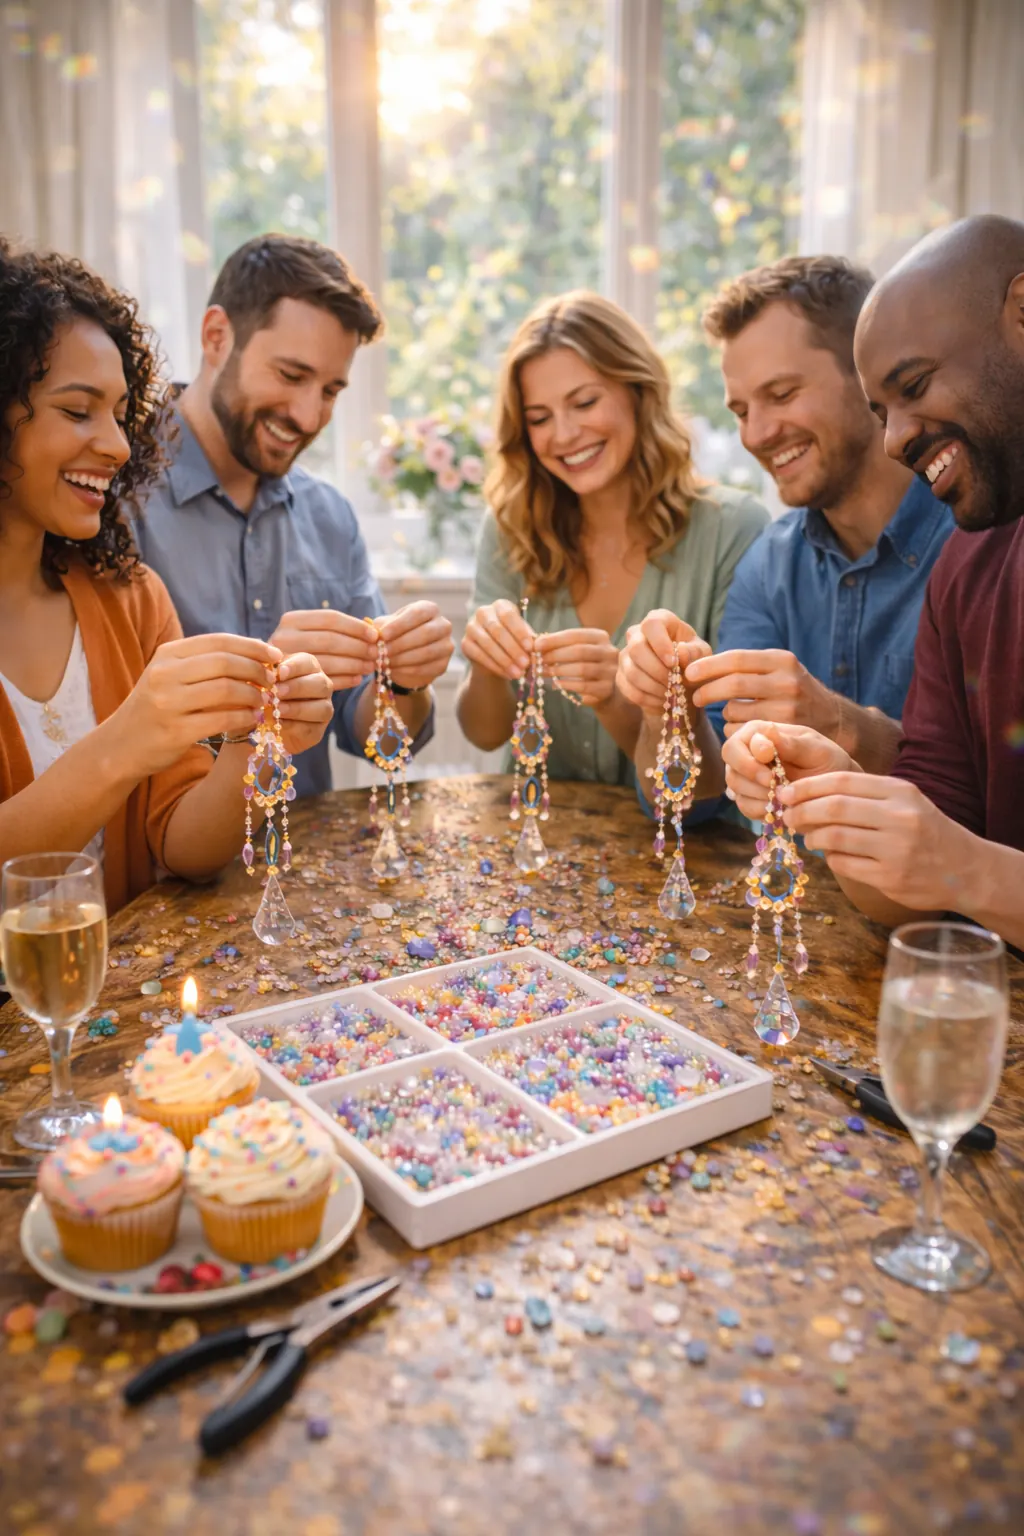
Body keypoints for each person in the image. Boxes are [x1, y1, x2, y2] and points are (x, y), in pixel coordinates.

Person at [0, 241, 334, 914]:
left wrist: (258, 740)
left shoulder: (130, 596)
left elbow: (185, 849)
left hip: (109, 1005)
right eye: (77, 409)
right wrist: (129, 740)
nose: (120, 445)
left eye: (122, 415)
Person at [721, 215, 1024, 950]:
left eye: (914, 385)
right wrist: (833, 786)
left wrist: (965, 870)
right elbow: (910, 899)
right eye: (882, 409)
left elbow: (957, 866)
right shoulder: (971, 564)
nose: (896, 439)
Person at [133, 234, 454, 799]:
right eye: (290, 375)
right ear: (216, 337)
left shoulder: (331, 518)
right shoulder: (113, 499)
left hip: (305, 873)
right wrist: (265, 685)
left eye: (330, 390)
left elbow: (383, 746)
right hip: (163, 878)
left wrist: (403, 682)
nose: (309, 416)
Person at [620, 255, 954, 795]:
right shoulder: (767, 566)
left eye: (781, 394)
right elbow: (698, 803)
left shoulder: (978, 540)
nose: (757, 434)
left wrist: (840, 724)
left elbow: (990, 796)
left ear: (867, 375)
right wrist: (667, 709)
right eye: (741, 410)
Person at [456, 290, 769, 785]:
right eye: (539, 418)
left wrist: (618, 703)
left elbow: (715, 781)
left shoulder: (733, 529)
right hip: (532, 847)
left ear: (637, 390)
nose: (563, 435)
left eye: (584, 402)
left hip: (683, 854)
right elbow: (485, 735)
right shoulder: (509, 527)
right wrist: (488, 666)